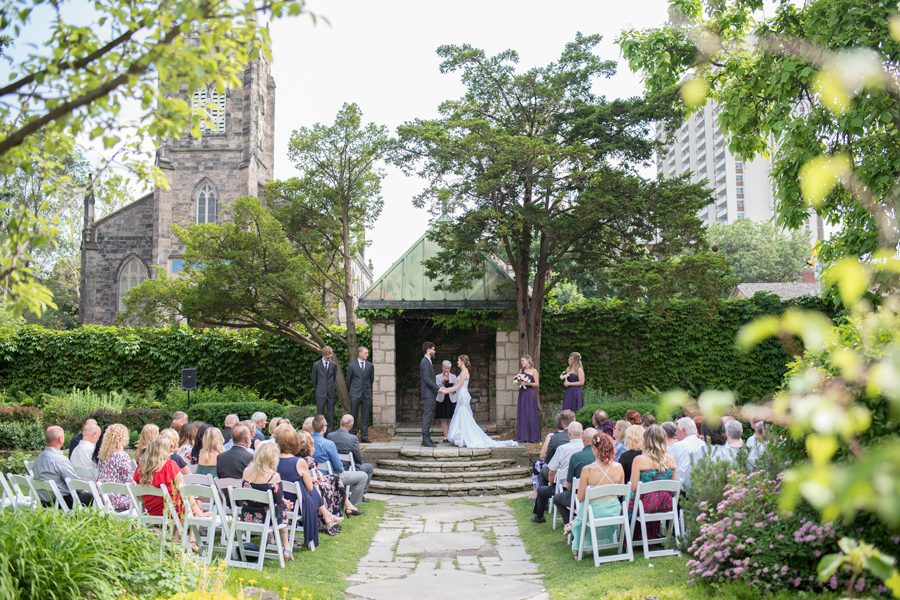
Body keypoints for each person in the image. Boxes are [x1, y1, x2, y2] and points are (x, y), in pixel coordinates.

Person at [275, 427, 340, 546]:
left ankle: (327, 515)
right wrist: (309, 479)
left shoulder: (273, 460)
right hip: (296, 504)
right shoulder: (299, 462)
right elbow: (309, 488)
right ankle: (327, 515)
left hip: (279, 500)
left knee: (307, 487)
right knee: (311, 489)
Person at [566, 432, 626, 555]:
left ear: (594, 448)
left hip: (594, 513)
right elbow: (621, 493)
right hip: (614, 511)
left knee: (583, 509)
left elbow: (580, 496)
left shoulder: (587, 470)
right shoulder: (619, 467)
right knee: (586, 509)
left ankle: (577, 545)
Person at [446, 355, 518, 449]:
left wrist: (446, 391)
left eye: (458, 360)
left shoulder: (464, 372)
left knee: (463, 415)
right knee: (460, 415)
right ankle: (461, 436)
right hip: (461, 395)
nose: (457, 362)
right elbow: (456, 385)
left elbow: (458, 386)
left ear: (462, 361)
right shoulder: (462, 372)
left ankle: (465, 437)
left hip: (463, 395)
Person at [239, 443, 293, 561]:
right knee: (282, 508)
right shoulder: (273, 476)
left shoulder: (246, 471)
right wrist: (286, 503)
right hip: (266, 518)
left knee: (277, 506)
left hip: (247, 515)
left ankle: (270, 539)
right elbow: (278, 500)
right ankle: (286, 546)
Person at [298, 429, 353, 533]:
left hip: (307, 488)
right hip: (309, 490)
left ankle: (345, 507)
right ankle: (333, 514)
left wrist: (318, 474)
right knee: (331, 482)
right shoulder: (305, 461)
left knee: (334, 478)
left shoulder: (298, 458)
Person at [628, 425, 678, 542]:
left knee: (629, 498)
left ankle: (634, 536)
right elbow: (675, 486)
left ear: (646, 440)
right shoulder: (671, 459)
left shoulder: (639, 459)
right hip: (666, 504)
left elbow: (634, 487)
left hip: (645, 505)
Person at [312, 415, 367, 511]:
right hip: (330, 477)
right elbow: (339, 468)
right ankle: (353, 505)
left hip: (313, 476)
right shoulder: (328, 444)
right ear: (324, 428)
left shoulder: (308, 441)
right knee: (363, 476)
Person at [532, 421, 583, 523]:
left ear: (569, 434)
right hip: (583, 487)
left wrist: (551, 483)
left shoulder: (562, 449)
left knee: (541, 490)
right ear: (582, 434)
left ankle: (539, 517)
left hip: (564, 488)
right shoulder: (586, 448)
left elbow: (551, 471)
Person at [551, 427, 597, 525]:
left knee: (557, 498)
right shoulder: (604, 456)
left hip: (580, 499)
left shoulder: (576, 457)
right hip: (602, 499)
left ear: (583, 440)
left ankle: (571, 526)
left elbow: (568, 486)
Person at [133, 435, 184, 518]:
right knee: (196, 507)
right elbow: (183, 490)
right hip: (172, 511)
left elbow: (138, 492)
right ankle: (182, 531)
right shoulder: (170, 465)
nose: (171, 450)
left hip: (151, 512)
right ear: (165, 450)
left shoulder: (140, 468)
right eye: (170, 447)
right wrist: (198, 511)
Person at [33, 426, 83, 507]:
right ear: (60, 439)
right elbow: (75, 484)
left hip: (44, 501)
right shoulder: (60, 460)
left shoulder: (39, 458)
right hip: (62, 501)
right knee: (94, 497)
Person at [328, 414, 375, 493]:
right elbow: (359, 459)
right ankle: (361, 494)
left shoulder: (330, 436)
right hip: (348, 468)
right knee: (369, 467)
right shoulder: (352, 438)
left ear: (340, 423)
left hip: (332, 468)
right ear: (350, 426)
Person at [97, 423, 132, 511]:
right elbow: (128, 480)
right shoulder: (122, 456)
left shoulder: (103, 456)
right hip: (117, 500)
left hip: (102, 498)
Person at [538, 410, 576, 486]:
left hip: (560, 474)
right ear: (574, 421)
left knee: (543, 472)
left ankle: (547, 492)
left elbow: (548, 460)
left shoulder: (554, 438)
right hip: (578, 473)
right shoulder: (583, 438)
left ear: (563, 423)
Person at [346, 345, 375, 443]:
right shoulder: (352, 365)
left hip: (366, 394)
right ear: (360, 353)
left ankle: (364, 436)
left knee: (365, 415)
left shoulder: (370, 365)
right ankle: (352, 435)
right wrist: (353, 391)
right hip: (355, 394)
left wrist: (367, 390)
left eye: (367, 353)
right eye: (366, 353)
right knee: (353, 414)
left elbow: (371, 380)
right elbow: (348, 381)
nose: (367, 354)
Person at [671, 416, 705, 490]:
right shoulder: (704, 444)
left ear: (683, 430)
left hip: (681, 490)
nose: (676, 433)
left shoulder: (677, 446)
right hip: (701, 489)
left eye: (677, 430)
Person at [516, 355, 541, 443]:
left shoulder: (534, 371)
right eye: (521, 361)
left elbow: (537, 384)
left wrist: (527, 383)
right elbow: (518, 382)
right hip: (522, 393)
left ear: (528, 361)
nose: (521, 362)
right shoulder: (521, 371)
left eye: (523, 361)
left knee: (530, 413)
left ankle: (533, 437)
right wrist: (518, 382)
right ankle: (523, 436)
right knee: (523, 413)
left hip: (530, 394)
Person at [312, 346, 337, 431]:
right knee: (320, 414)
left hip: (331, 392)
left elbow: (333, 378)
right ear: (323, 355)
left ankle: (329, 432)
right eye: (328, 356)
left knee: (330, 414)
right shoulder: (316, 365)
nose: (330, 357)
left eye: (331, 355)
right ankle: (319, 432)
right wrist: (319, 389)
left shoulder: (333, 364)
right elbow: (314, 380)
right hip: (320, 392)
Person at [419, 341, 439, 447]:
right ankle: (425, 439)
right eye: (433, 349)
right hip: (428, 393)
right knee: (427, 415)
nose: (434, 351)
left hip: (430, 393)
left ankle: (427, 438)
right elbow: (427, 379)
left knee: (429, 415)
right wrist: (438, 388)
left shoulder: (428, 361)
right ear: (428, 350)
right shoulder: (425, 362)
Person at [434, 360, 458, 442]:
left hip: (451, 400)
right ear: (442, 368)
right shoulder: (437, 377)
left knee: (451, 418)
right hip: (442, 400)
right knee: (443, 419)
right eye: (445, 368)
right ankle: (446, 437)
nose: (447, 370)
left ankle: (450, 436)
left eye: (448, 368)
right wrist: (443, 381)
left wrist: (452, 390)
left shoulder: (454, 377)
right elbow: (437, 389)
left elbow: (456, 388)